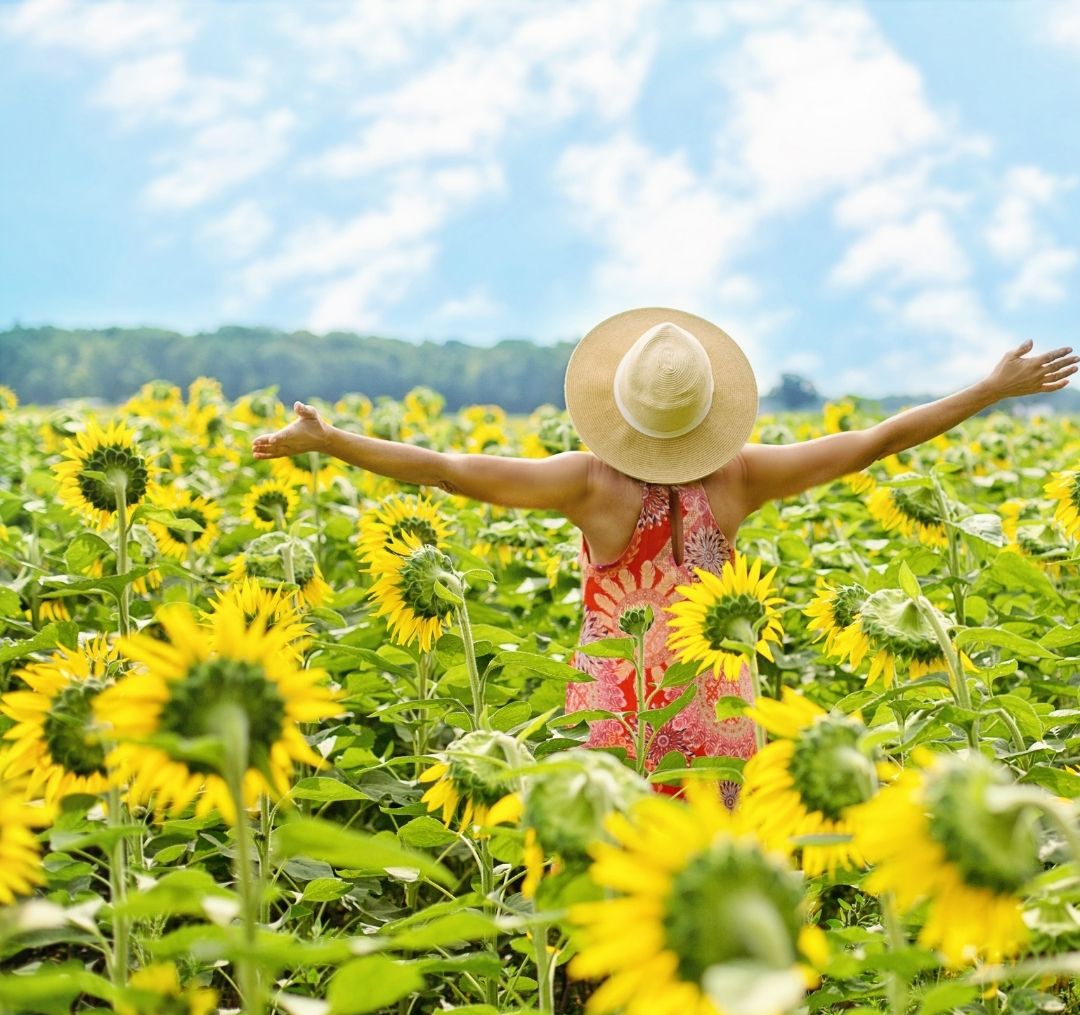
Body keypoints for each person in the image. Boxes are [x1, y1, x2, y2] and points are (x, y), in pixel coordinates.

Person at [252, 306, 1075, 801]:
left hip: (624, 714)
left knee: (623, 879)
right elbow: (872, 442)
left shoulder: (589, 487)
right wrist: (989, 389)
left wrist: (331, 442)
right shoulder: (743, 477)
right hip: (720, 710)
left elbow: (447, 470)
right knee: (713, 881)